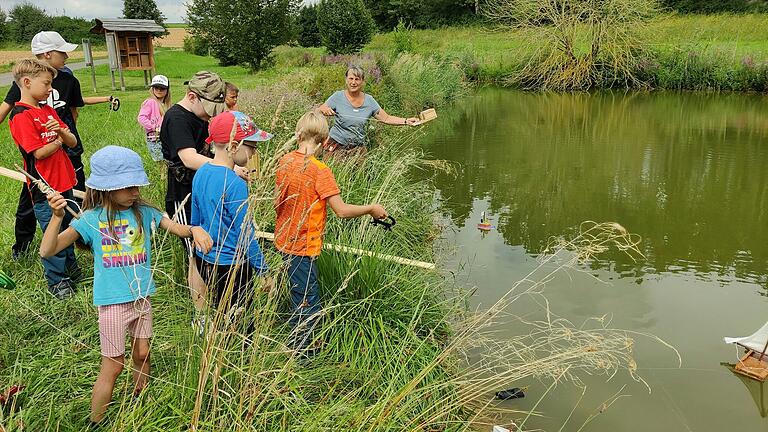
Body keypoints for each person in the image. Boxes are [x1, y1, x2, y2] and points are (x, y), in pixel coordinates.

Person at [39, 145, 213, 424]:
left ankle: (139, 399)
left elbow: (177, 228)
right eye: (128, 186)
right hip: (112, 304)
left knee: (143, 352)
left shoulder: (144, 212)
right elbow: (48, 250)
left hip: (142, 298)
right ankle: (96, 421)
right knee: (114, 364)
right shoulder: (91, 220)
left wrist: (195, 229)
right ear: (108, 188)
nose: (135, 192)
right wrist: (57, 218)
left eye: (137, 185)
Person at [275, 110, 388, 353]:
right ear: (325, 141)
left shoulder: (284, 161)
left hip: (284, 240)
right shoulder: (320, 170)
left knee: (298, 292)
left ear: (298, 135)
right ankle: (302, 353)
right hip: (304, 246)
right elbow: (342, 210)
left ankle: (299, 344)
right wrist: (371, 208)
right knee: (307, 299)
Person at [0, 31, 112, 258]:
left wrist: (66, 137)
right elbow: (6, 110)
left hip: (67, 151)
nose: (67, 57)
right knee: (32, 204)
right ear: (47, 54)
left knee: (73, 195)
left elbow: (73, 112)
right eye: (63, 52)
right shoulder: (24, 85)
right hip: (41, 157)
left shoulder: (69, 79)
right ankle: (23, 246)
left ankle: (77, 241)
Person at [160, 71, 247, 312]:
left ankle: (220, 302)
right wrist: (227, 169)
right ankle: (201, 314)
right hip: (185, 193)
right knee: (195, 255)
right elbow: (188, 158)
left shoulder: (199, 116)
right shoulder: (177, 118)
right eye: (209, 107)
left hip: (205, 189)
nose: (212, 113)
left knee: (210, 249)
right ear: (192, 97)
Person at [191, 111, 273, 332]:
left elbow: (195, 221)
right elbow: (246, 233)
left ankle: (218, 344)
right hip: (233, 264)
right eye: (252, 146)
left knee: (220, 308)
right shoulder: (235, 184)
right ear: (234, 147)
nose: (255, 152)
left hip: (205, 258)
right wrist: (264, 272)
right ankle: (239, 356)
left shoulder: (201, 172)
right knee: (240, 317)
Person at [9, 59, 79, 300]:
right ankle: (57, 280)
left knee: (70, 226)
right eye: (47, 84)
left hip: (65, 180)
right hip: (45, 188)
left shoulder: (47, 110)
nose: (50, 89)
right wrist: (59, 139)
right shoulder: (20, 116)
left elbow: (73, 141)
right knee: (53, 228)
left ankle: (71, 268)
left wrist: (61, 133)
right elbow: (38, 152)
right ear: (27, 83)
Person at [318, 65, 419, 159]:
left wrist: (406, 121)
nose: (353, 82)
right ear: (346, 80)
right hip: (335, 145)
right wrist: (325, 110)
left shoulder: (369, 101)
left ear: (362, 81)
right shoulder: (338, 96)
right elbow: (320, 108)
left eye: (357, 79)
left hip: (357, 149)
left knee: (359, 177)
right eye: (351, 78)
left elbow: (386, 118)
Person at [137, 74, 171, 162]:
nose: (159, 90)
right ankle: (161, 176)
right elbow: (141, 118)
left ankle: (164, 175)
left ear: (167, 90)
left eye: (162, 88)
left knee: (167, 161)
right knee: (160, 161)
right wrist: (154, 127)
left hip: (165, 138)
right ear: (152, 89)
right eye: (156, 88)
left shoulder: (166, 105)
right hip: (155, 139)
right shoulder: (150, 102)